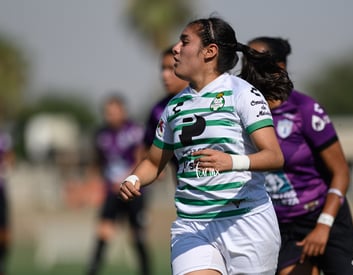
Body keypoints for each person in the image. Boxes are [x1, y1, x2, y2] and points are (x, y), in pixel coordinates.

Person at [119, 17, 293, 275]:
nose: (176, 48)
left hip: (247, 222)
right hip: (193, 226)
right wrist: (134, 178)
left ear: (210, 52)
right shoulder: (174, 106)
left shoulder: (242, 93)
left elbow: (274, 156)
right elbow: (154, 162)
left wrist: (231, 162)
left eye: (185, 41)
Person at [242, 37, 353, 275]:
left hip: (323, 217)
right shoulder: (242, 111)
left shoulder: (305, 110)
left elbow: (341, 172)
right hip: (281, 226)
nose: (247, 69)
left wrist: (324, 225)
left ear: (279, 68)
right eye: (244, 62)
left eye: (255, 62)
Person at [86, 95, 151, 275]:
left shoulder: (135, 131)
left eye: (114, 112)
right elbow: (98, 163)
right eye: (107, 113)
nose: (111, 116)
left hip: (133, 191)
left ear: (123, 112)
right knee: (103, 232)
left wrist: (125, 179)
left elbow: (142, 160)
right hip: (112, 192)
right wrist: (94, 186)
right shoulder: (101, 134)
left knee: (138, 236)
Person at [144, 46, 188, 175]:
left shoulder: (206, 100)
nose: (164, 75)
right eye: (163, 69)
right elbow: (146, 148)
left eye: (171, 68)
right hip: (181, 186)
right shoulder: (159, 109)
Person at [0, 128, 13, 275]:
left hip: (1, 192)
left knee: (4, 232)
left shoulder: (3, 138)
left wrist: (6, 166)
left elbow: (10, 158)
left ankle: (2, 263)